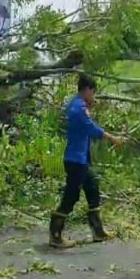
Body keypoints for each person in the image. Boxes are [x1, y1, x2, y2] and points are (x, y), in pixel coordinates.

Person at [49, 74, 124, 249]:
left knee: (92, 188)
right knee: (71, 196)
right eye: (93, 92)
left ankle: (98, 231)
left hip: (79, 158)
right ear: (88, 90)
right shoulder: (78, 108)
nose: (94, 96)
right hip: (76, 159)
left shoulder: (76, 104)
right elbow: (91, 128)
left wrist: (90, 107)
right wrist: (112, 138)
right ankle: (55, 235)